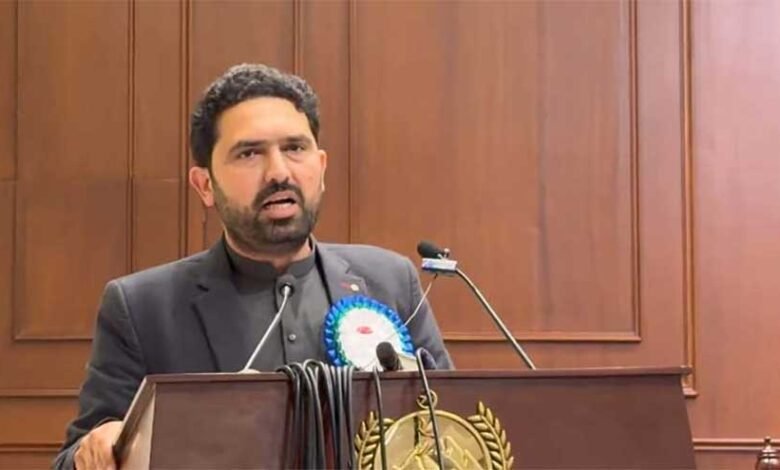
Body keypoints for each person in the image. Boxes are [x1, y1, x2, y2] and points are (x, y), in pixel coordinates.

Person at [53, 63, 452, 470]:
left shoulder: (391, 281)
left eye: (295, 148)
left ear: (321, 168)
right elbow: (74, 457)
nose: (278, 172)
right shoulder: (142, 308)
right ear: (205, 185)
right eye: (249, 153)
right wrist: (103, 446)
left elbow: (454, 427)